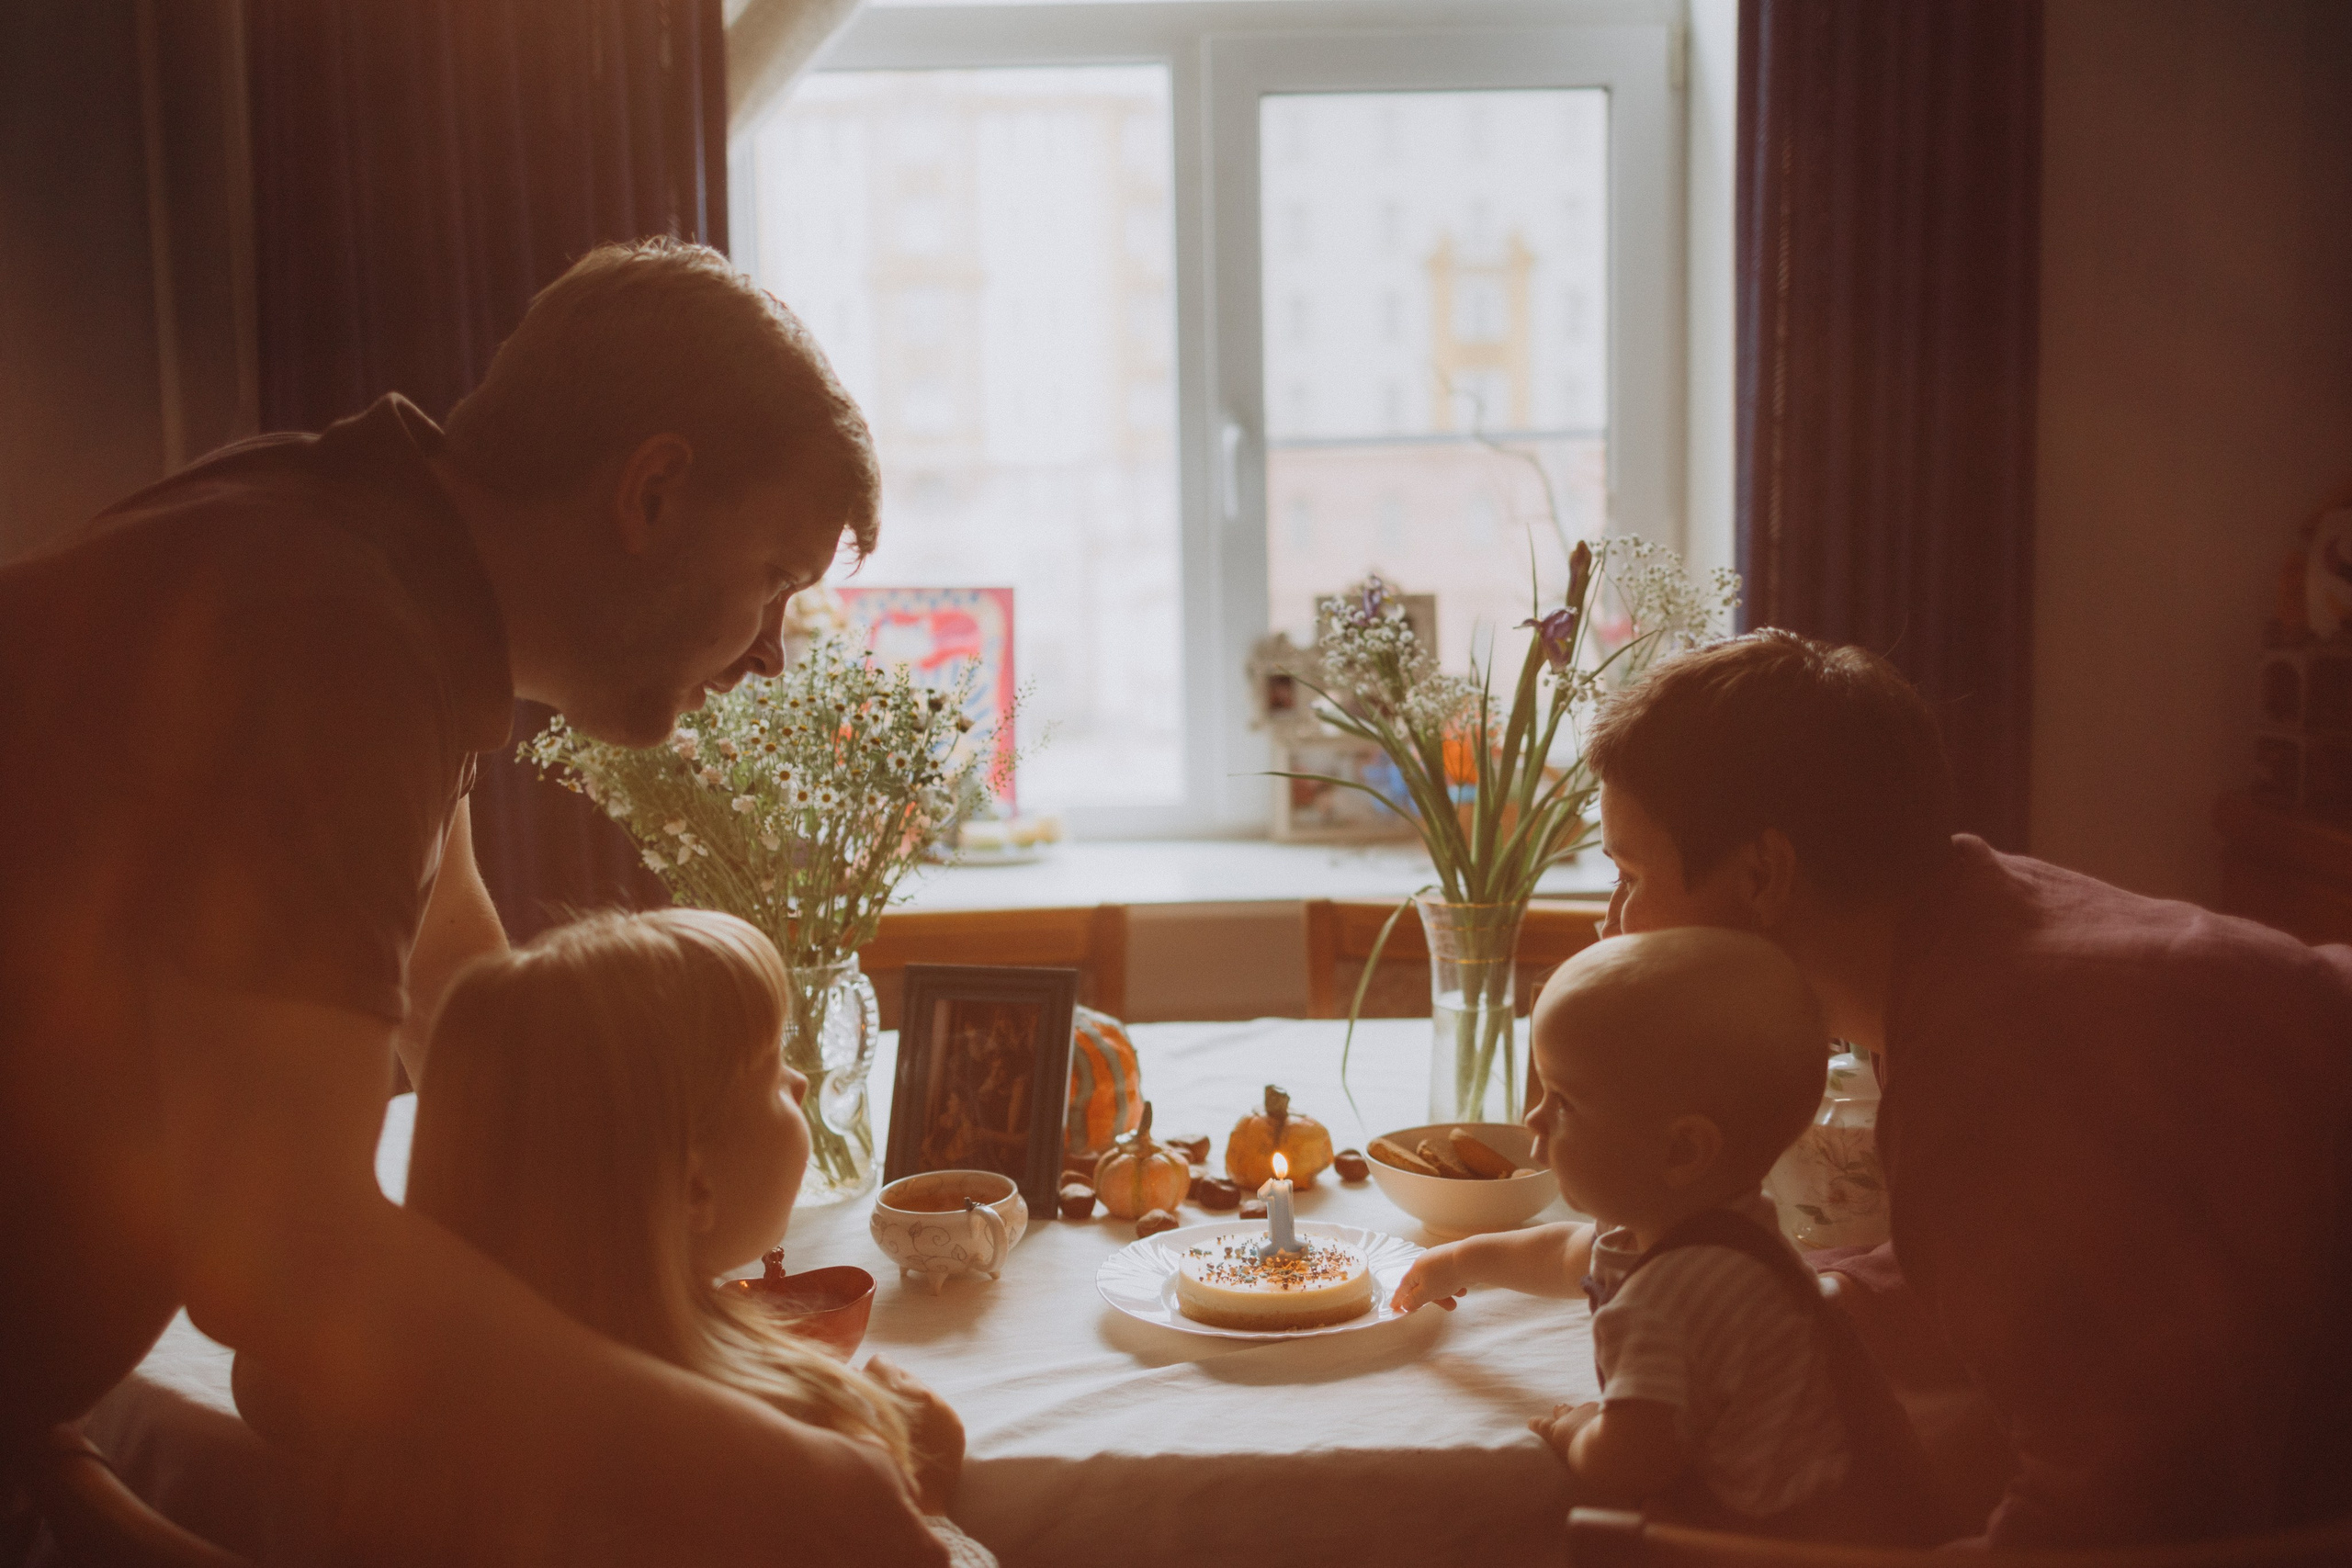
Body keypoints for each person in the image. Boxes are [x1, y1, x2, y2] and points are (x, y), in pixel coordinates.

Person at [0, 239, 947, 1563]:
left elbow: (467, 995)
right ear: (655, 488)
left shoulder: (354, 555)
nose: (768, 652)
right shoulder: (332, 639)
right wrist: (760, 1467)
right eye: (777, 577)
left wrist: (715, 1359)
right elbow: (278, 1248)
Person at [1580, 628, 2352, 1547]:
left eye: (1628, 875)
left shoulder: (1998, 1058)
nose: (1609, 922)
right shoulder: (1975, 921)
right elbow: (2085, 1246)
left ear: (1762, 874)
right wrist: (1837, 1297)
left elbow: (2128, 1516)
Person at [387, 908, 995, 1568]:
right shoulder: (782, 1457)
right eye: (772, 1071)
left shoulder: (433, 1428)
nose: (799, 1082)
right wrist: (926, 1505)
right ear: (694, 1185)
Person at [1393, 930, 1944, 1544]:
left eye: (1565, 1101)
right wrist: (1461, 1260)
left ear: (1682, 1149)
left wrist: (1575, 1428)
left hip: (1783, 1544)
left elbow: (1628, 1460)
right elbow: (1568, 1252)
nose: (1534, 1118)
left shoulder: (1668, 1300)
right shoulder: (1723, 1226)